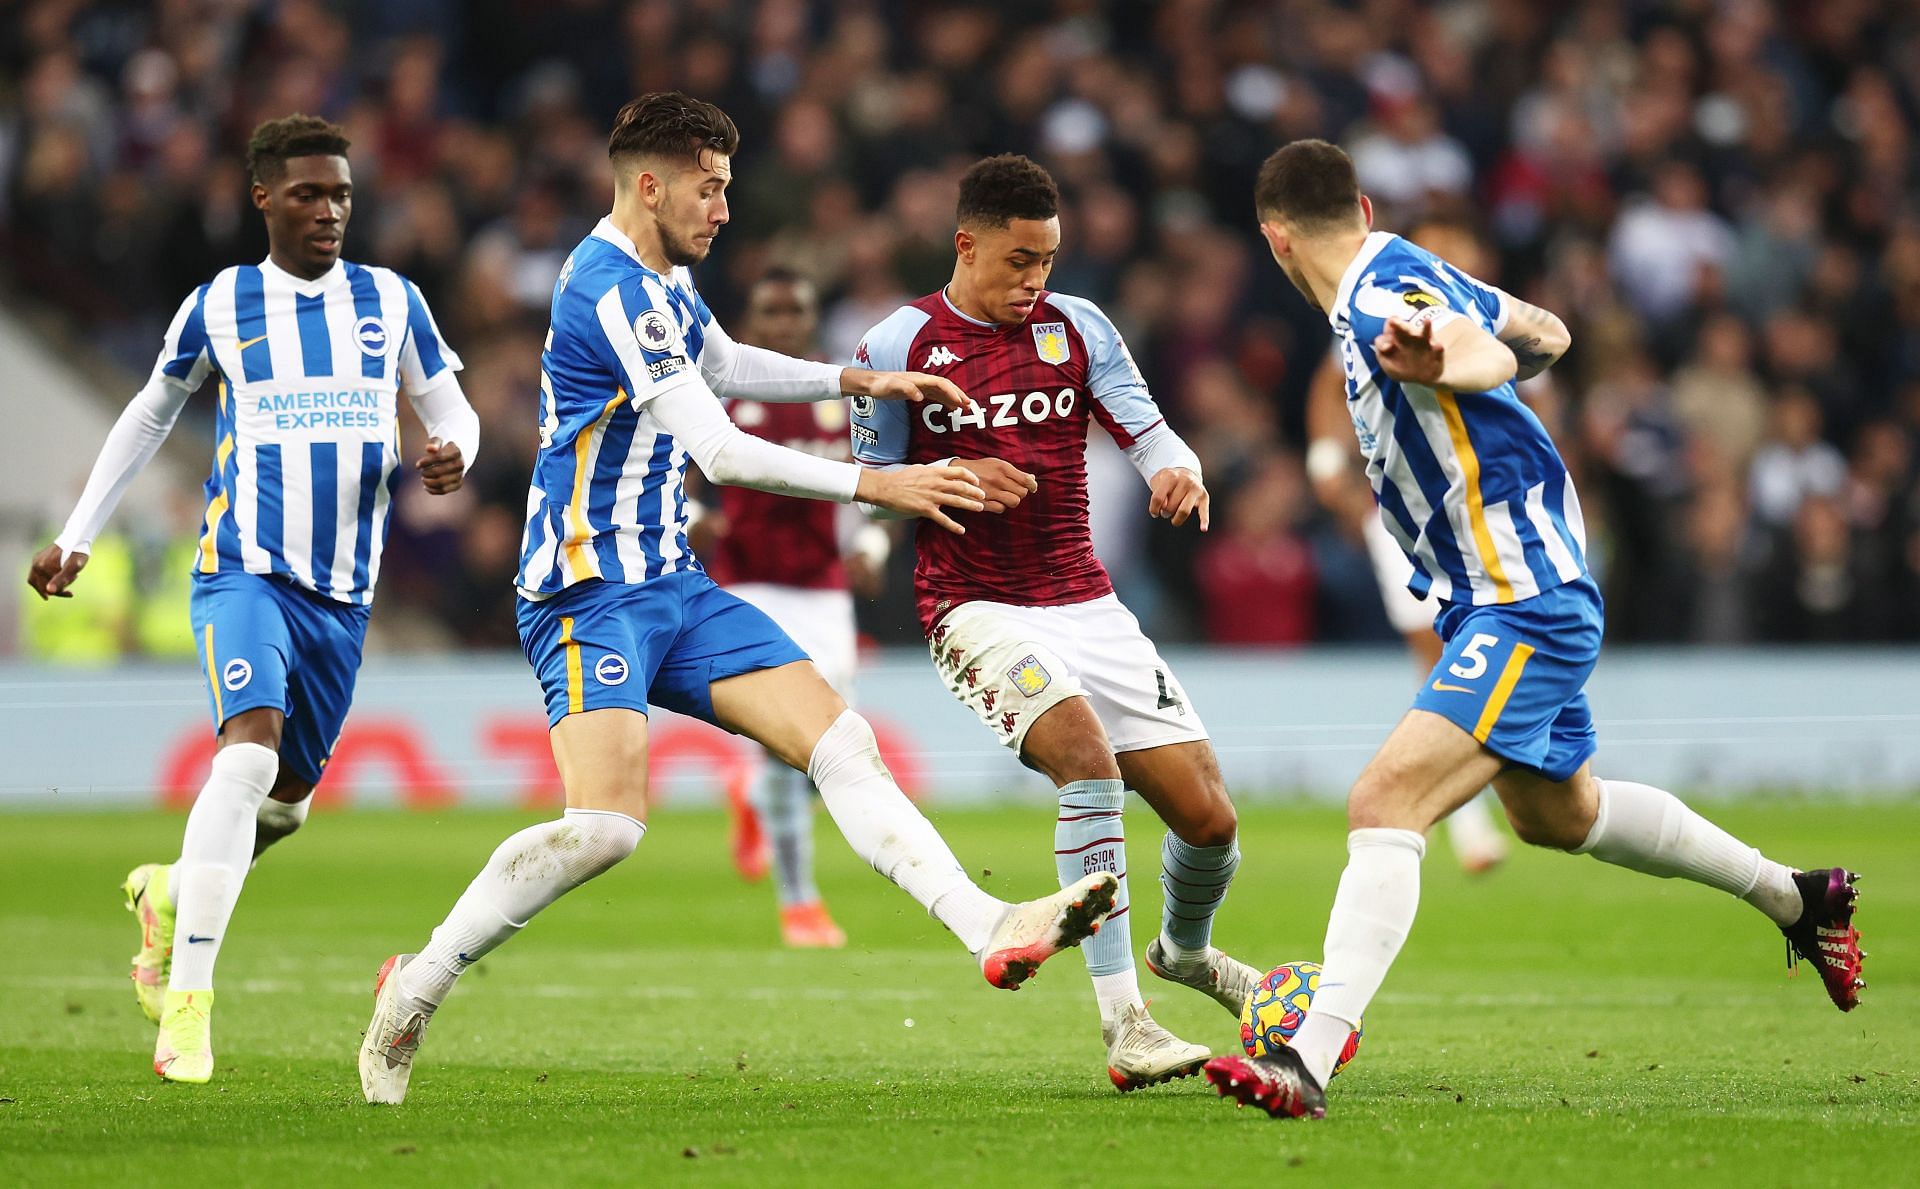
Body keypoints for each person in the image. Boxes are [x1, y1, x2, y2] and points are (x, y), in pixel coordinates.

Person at [357, 94, 1117, 1106]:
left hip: (672, 581)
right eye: (710, 189)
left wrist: (866, 383)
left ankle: (990, 925)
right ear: (650, 184)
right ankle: (416, 986)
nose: (724, 209)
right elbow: (718, 443)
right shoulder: (609, 288)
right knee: (607, 828)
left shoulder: (665, 281)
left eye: (727, 187)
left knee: (840, 741)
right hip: (589, 589)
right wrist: (878, 480)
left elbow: (721, 362)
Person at [1206, 140, 1866, 1120]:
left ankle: (1305, 1059)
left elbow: (1484, 350)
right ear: (1365, 201)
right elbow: (1544, 330)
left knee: (1383, 801)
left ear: (1274, 241)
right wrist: (1492, 352)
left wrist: (1459, 362)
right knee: (1559, 815)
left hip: (1522, 598)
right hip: (1501, 593)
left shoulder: (1387, 291)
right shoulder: (1401, 278)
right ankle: (1798, 896)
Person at [25, 115, 481, 1085]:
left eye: (344, 195)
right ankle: (187, 1004)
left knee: (286, 803)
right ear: (264, 196)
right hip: (245, 570)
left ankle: (169, 895)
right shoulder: (223, 304)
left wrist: (455, 449)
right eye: (310, 193)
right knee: (249, 750)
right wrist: (77, 533)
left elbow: (450, 407)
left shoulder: (392, 301)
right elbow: (152, 409)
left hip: (345, 596)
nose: (330, 211)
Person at [850, 155, 1259, 1092]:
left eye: (1047, 261)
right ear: (968, 244)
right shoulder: (897, 342)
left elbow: (1147, 427)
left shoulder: (1080, 328)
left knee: (1210, 819)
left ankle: (1186, 954)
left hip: (1087, 600)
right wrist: (954, 479)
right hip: (975, 606)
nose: (1035, 281)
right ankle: (1127, 1024)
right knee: (1087, 760)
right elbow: (870, 494)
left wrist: (1175, 466)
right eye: (1019, 260)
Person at [1303, 220, 1513, 875]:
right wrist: (1325, 466)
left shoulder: (1483, 319)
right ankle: (1472, 815)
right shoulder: (1384, 310)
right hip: (1404, 514)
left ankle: (1506, 791)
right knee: (1437, 651)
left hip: (1490, 511)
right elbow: (1328, 384)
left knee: (1488, 649)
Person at [693, 267, 892, 948]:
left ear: (810, 317)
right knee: (790, 747)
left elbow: (877, 487)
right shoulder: (721, 391)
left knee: (831, 742)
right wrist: (694, 516)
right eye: (769, 312)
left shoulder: (840, 396)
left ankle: (750, 798)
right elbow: (671, 470)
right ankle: (800, 902)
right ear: (751, 322)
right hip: (748, 583)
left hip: (823, 587)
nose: (782, 323)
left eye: (794, 310)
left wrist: (870, 544)